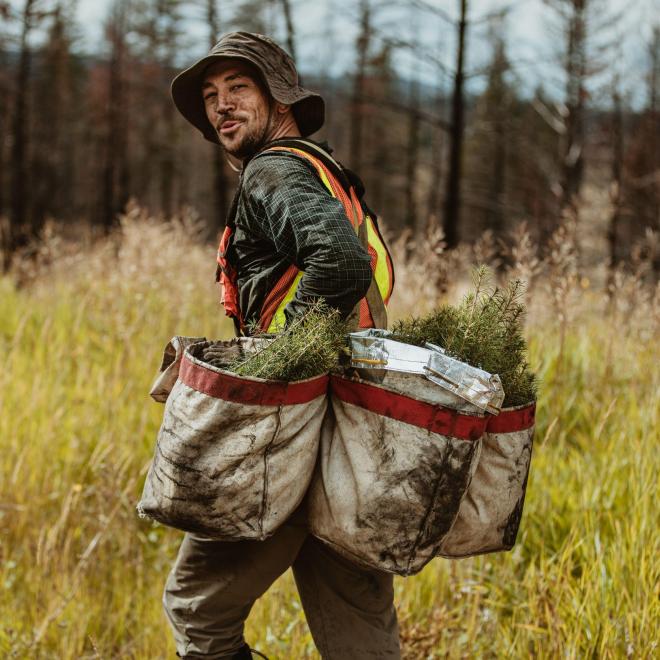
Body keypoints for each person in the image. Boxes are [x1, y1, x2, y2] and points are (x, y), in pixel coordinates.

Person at [165, 31, 398, 659]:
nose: (221, 106)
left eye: (239, 87)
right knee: (360, 635)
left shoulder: (272, 170)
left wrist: (276, 365)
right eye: (211, 96)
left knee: (195, 609)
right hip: (350, 440)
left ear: (280, 98)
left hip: (289, 437)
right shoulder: (326, 172)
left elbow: (340, 263)